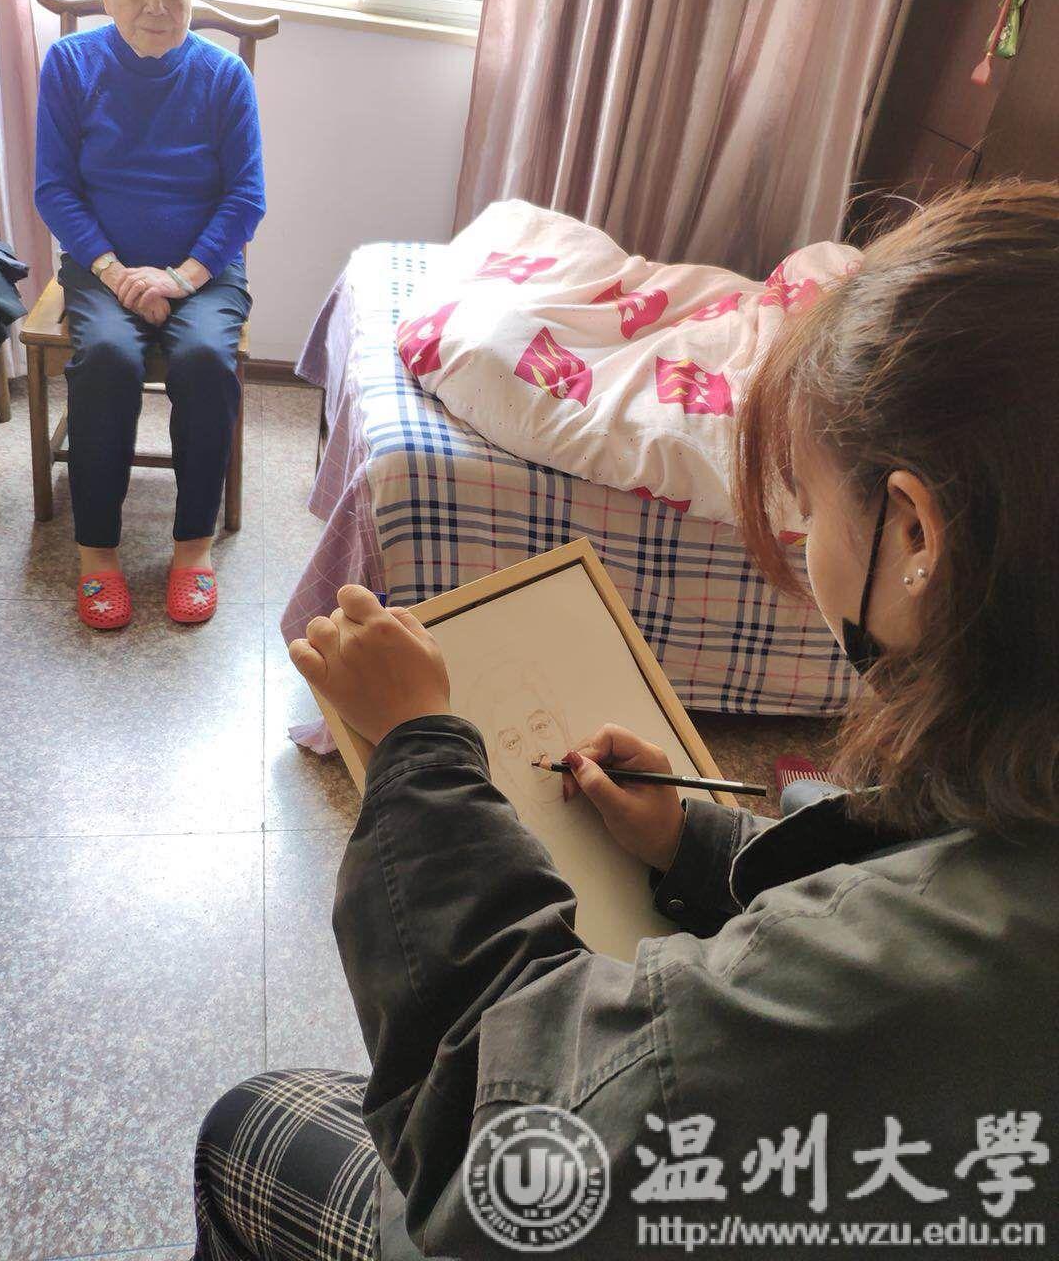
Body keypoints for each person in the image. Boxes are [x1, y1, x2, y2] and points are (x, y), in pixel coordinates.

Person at [193, 179, 1059, 1259]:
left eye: (810, 504)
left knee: (248, 1127)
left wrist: (419, 753)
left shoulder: (904, 973)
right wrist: (698, 841)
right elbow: (916, 867)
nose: (803, 548)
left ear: (917, 531)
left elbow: (502, 1148)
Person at [34, 0, 265, 630]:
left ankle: (192, 547)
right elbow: (54, 189)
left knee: (204, 360)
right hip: (101, 266)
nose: (157, 3)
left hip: (205, 270)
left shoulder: (225, 77)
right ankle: (97, 552)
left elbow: (246, 197)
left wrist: (181, 278)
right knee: (106, 357)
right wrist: (117, 273)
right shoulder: (70, 65)